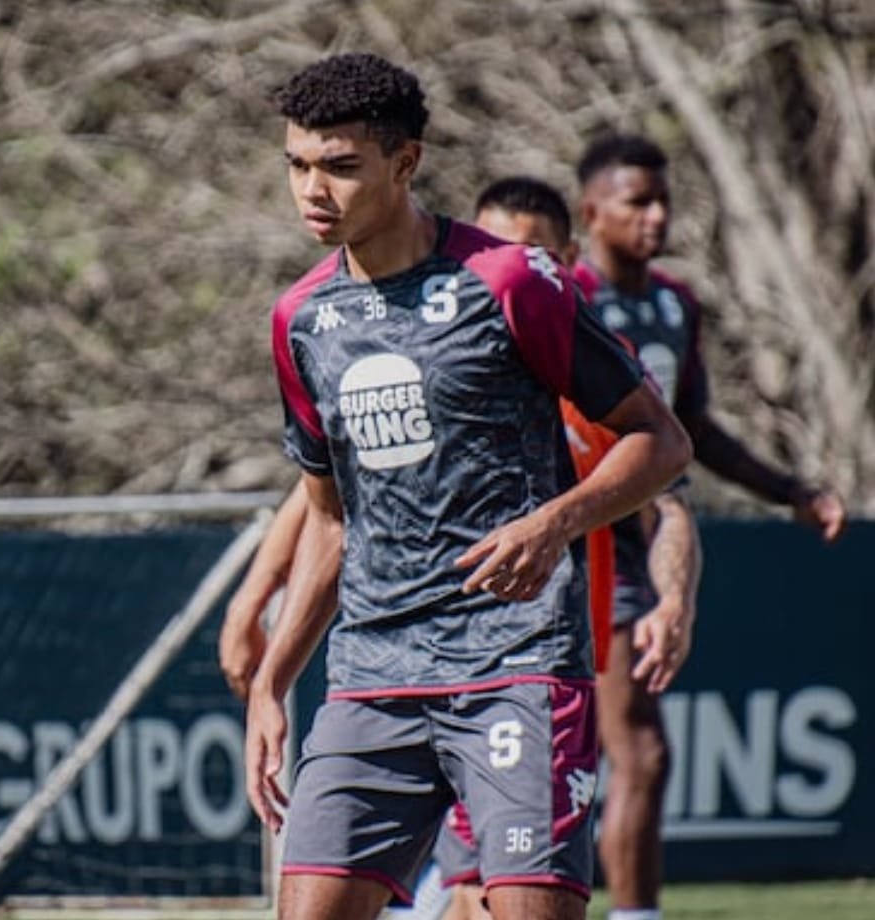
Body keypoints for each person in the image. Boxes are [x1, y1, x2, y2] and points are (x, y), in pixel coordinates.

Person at [244, 53, 691, 920]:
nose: (312, 189)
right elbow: (332, 525)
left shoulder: (511, 281)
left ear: (405, 164)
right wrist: (272, 680)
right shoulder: (300, 320)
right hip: (371, 675)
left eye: (341, 167)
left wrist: (555, 524)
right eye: (298, 164)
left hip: (516, 667)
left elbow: (661, 443)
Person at [574, 133, 847, 920]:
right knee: (623, 754)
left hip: (654, 537)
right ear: (593, 211)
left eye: (663, 200)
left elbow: (691, 428)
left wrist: (789, 488)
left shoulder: (674, 306)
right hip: (583, 539)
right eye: (637, 201)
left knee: (642, 754)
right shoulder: (564, 296)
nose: (656, 215)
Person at [432, 175, 703, 920]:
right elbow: (321, 484)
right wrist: (262, 601)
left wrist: (674, 597)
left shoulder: (594, 370)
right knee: (468, 886)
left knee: (507, 886)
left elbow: (671, 497)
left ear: (567, 260)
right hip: (435, 659)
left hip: (550, 665)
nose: (513, 273)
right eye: (495, 253)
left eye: (533, 256)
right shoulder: (435, 360)